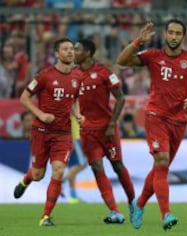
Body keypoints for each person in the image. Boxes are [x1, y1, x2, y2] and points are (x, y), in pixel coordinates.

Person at [116, 19, 187, 230]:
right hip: (156, 115)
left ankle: (139, 204)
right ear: (165, 35)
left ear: (183, 36)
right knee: (162, 161)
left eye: (178, 33)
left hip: (179, 120)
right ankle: (166, 214)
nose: (174, 36)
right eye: (170, 32)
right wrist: (139, 40)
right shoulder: (153, 56)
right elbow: (122, 60)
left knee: (160, 168)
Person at [13, 38, 84, 226]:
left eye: (72, 49)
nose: (70, 52)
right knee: (38, 175)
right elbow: (24, 97)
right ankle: (26, 179)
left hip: (63, 133)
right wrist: (41, 114)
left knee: (59, 171)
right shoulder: (44, 75)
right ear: (56, 54)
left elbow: (74, 99)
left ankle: (46, 216)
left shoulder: (77, 77)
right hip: (41, 131)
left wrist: (77, 114)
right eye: (66, 49)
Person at [73, 38, 135, 224]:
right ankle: (115, 211)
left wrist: (111, 124)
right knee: (97, 168)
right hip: (88, 132)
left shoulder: (104, 72)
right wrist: (76, 113)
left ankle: (134, 204)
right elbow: (69, 100)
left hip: (107, 130)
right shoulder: (73, 75)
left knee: (117, 166)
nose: (73, 52)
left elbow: (121, 98)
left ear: (88, 53)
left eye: (77, 49)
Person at [62, 114, 87, 203]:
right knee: (82, 164)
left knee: (73, 169)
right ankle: (61, 181)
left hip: (69, 138)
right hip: (74, 138)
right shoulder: (72, 103)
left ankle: (73, 197)